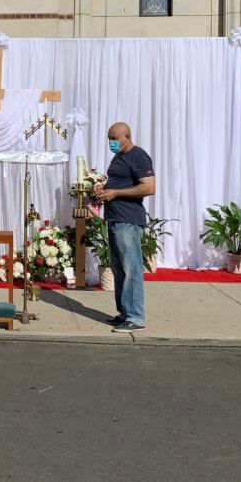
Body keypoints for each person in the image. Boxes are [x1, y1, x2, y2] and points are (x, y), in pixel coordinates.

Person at [94, 122, 155, 332]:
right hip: (115, 218)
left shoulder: (138, 156)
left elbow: (148, 187)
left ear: (127, 136)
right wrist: (104, 188)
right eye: (109, 138)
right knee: (119, 270)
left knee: (131, 269)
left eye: (115, 138)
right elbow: (120, 183)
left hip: (128, 220)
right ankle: (125, 313)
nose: (111, 142)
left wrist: (115, 193)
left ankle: (136, 317)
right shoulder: (119, 157)